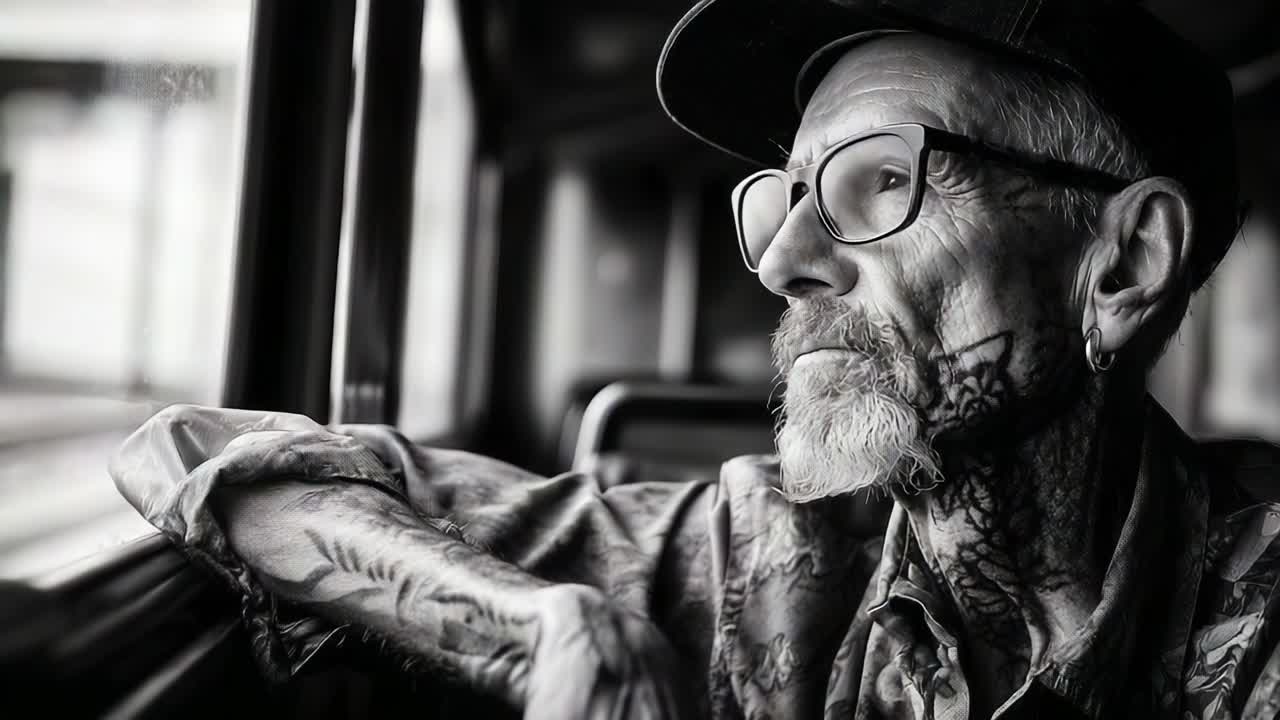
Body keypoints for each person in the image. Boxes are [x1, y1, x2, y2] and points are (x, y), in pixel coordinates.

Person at [110, 1, 1280, 718]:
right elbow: (203, 458)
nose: (780, 259)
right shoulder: (759, 558)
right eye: (785, 195)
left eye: (880, 180)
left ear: (1121, 267)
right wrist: (539, 627)